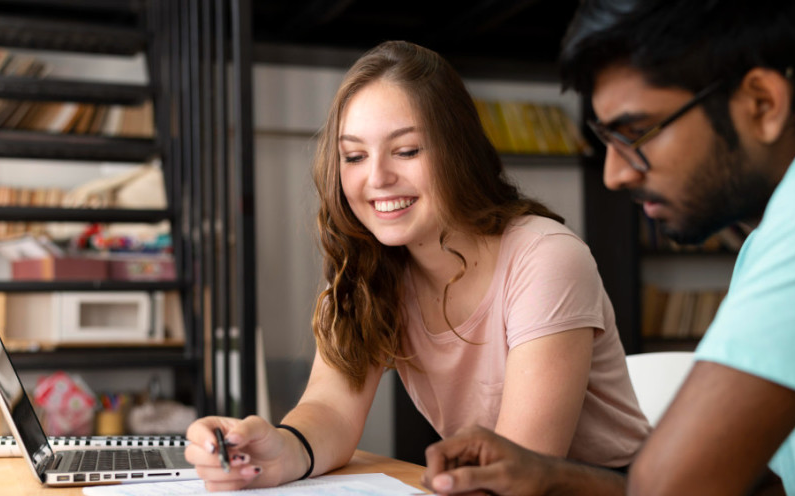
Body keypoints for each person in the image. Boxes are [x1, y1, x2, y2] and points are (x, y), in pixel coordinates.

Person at [422, 0, 795, 495]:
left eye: (635, 133)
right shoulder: (767, 240)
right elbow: (763, 489)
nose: (615, 174)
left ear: (762, 103)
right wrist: (552, 477)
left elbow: (672, 487)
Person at [184, 40, 650, 491]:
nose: (378, 178)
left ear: (458, 151)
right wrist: (275, 451)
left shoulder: (546, 257)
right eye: (354, 156)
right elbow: (331, 409)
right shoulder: (369, 268)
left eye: (406, 150)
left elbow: (521, 467)